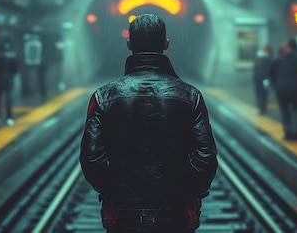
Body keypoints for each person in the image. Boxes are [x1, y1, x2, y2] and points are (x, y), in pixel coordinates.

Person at [80, 14, 218, 233]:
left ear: (129, 44)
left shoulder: (103, 96)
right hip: (177, 216)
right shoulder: (191, 96)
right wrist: (186, 194)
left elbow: (92, 159)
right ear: (166, 44)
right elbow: (205, 158)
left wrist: (118, 193)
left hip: (122, 218)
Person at [270, 39, 297, 141]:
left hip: (281, 91)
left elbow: (272, 76)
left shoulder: (277, 60)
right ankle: (295, 133)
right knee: (296, 110)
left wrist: (276, 87)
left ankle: (287, 133)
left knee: (284, 111)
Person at [253, 44, 273, 115]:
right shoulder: (268, 57)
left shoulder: (259, 57)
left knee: (262, 93)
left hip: (262, 78)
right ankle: (262, 107)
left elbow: (255, 68)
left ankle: (262, 108)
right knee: (263, 93)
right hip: (265, 79)